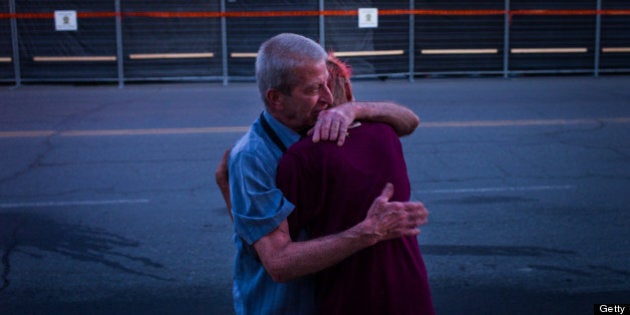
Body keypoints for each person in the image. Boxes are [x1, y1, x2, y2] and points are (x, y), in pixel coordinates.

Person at [227, 33, 428, 315]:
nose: (328, 98)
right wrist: (369, 232)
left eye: (326, 84)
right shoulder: (253, 157)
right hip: (281, 306)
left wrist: (354, 109)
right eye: (312, 90)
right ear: (276, 99)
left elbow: (409, 122)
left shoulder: (324, 127)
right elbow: (279, 263)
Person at [277, 56, 435, 314]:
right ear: (349, 91)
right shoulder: (386, 134)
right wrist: (356, 109)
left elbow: (277, 255)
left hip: (349, 298)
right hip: (411, 291)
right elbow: (409, 121)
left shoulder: (301, 158)